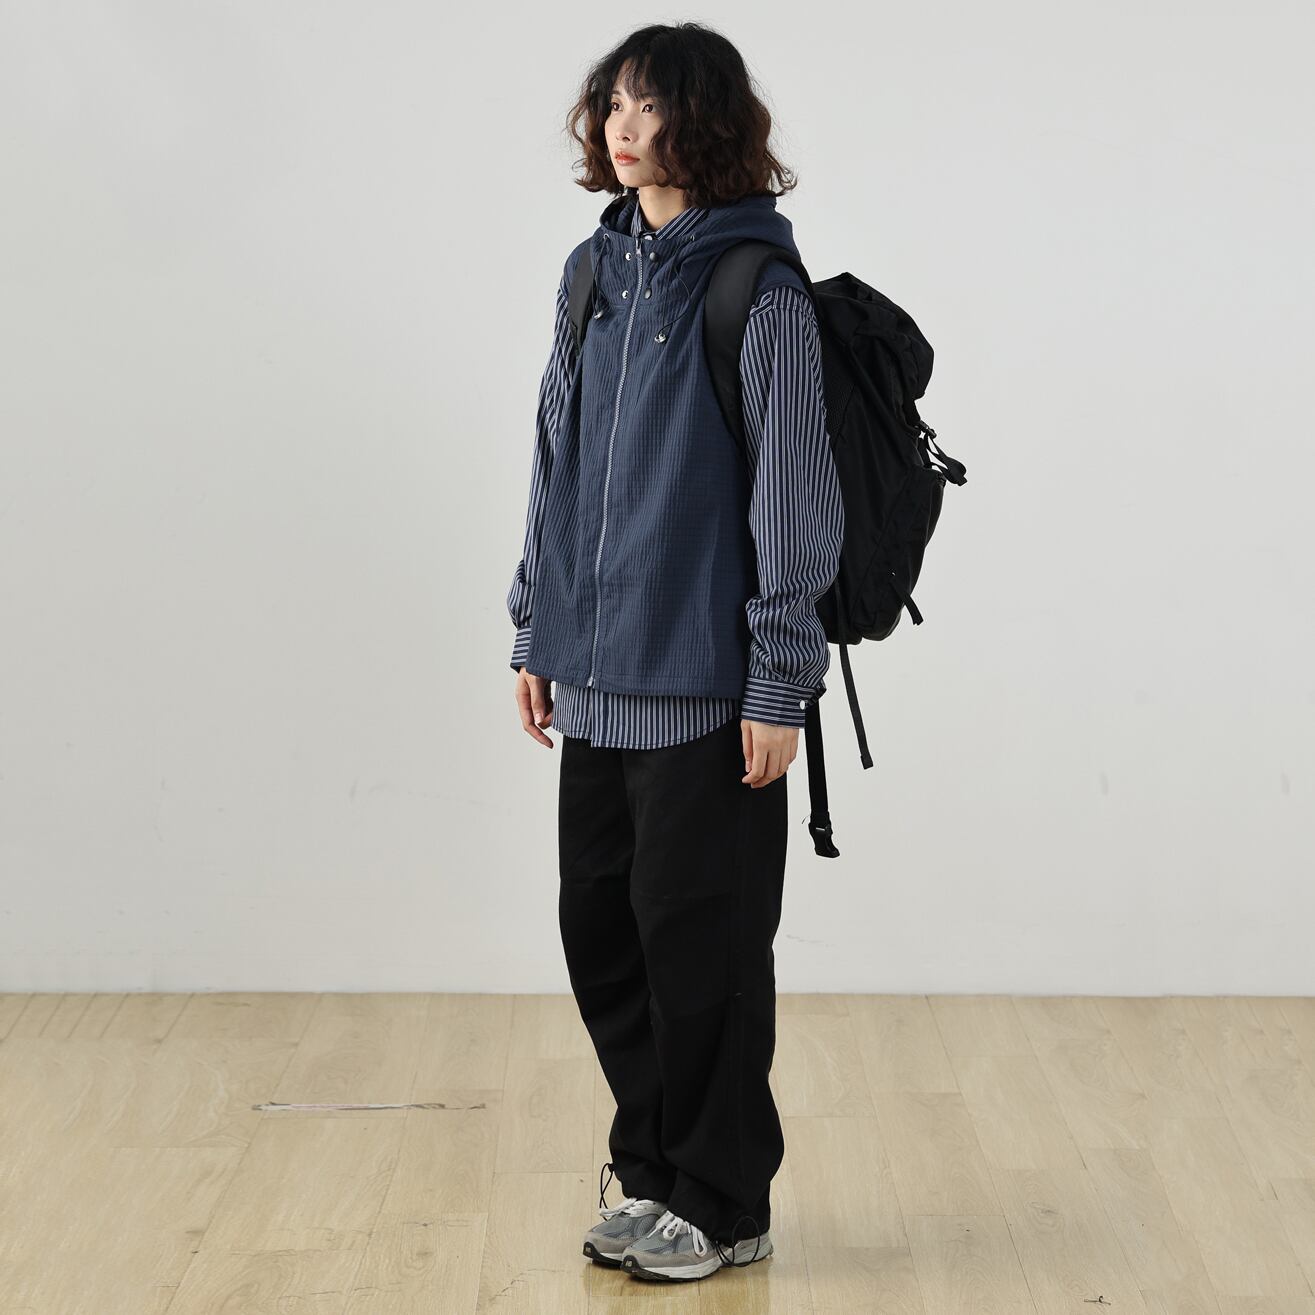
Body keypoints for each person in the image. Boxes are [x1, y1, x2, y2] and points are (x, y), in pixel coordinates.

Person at [505, 22, 843, 1284]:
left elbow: (793, 501)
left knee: (704, 953)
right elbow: (555, 455)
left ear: (702, 123)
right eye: (611, 102)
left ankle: (726, 1198)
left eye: (648, 105)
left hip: (708, 687)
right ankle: (655, 1174)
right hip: (594, 677)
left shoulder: (756, 289)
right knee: (605, 934)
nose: (622, 126)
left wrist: (779, 683)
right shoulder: (591, 274)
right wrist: (535, 624)